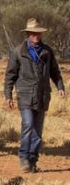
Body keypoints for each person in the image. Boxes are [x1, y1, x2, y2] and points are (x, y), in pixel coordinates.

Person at [4, 18, 65, 173]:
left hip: (43, 95)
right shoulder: (18, 52)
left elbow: (55, 72)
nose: (35, 36)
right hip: (25, 94)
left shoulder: (48, 51)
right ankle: (24, 158)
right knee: (28, 124)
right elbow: (10, 75)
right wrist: (8, 95)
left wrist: (60, 87)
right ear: (28, 34)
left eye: (38, 33)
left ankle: (32, 161)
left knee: (38, 131)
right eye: (33, 33)